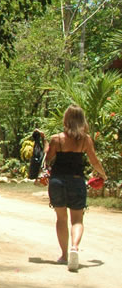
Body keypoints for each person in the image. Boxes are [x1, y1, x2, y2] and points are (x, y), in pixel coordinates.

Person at [42, 104, 107, 272]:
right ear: (82, 120)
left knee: (61, 219)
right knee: (77, 219)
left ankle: (64, 255)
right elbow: (94, 161)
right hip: (77, 181)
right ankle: (74, 248)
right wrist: (103, 175)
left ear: (66, 119)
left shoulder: (57, 139)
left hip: (57, 182)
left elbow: (48, 161)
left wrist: (45, 145)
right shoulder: (85, 139)